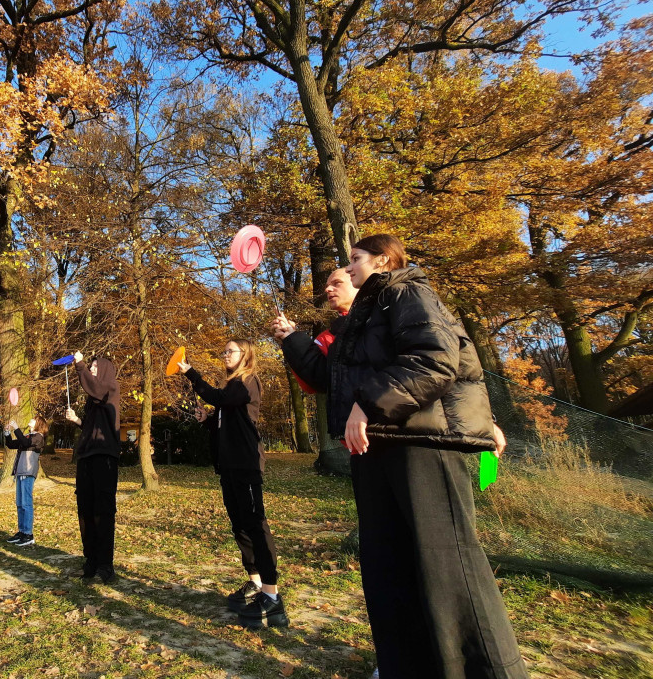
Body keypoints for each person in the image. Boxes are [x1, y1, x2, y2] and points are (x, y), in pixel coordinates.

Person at [272, 234, 527, 679]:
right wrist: (293, 339)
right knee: (387, 565)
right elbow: (328, 376)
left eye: (354, 260)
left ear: (384, 260)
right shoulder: (358, 321)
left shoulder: (407, 291)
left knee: (446, 565)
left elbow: (437, 361)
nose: (345, 270)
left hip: (420, 446)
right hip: (375, 448)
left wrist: (367, 404)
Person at [178, 339, 288, 629]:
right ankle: (254, 582)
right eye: (223, 351)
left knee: (255, 524)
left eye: (231, 351)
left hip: (246, 465)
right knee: (239, 524)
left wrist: (191, 372)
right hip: (229, 467)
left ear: (245, 355)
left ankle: (272, 597)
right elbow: (225, 419)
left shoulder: (247, 381)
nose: (225, 355)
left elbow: (216, 397)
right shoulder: (232, 387)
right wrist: (208, 421)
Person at [65, 351, 120, 583]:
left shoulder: (110, 388)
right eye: (91, 366)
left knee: (102, 512)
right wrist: (78, 420)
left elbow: (95, 388)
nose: (93, 369)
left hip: (104, 457)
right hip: (86, 457)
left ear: (106, 370)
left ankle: (105, 566)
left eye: (96, 366)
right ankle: (90, 561)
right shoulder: (93, 400)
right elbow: (92, 426)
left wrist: (80, 365)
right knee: (85, 509)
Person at [3, 415, 48, 547]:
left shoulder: (38, 437)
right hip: (20, 472)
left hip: (28, 472)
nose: (31, 420)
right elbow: (12, 444)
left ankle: (28, 534)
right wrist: (7, 433)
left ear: (39, 423)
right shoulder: (28, 436)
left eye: (34, 419)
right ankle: (22, 532)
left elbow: (26, 443)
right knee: (20, 503)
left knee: (26, 503)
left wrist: (16, 428)